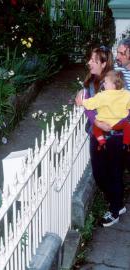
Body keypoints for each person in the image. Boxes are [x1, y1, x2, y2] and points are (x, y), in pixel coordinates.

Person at [76, 46, 126, 227]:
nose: (89, 62)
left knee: (114, 173)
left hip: (115, 136)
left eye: (93, 60)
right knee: (99, 174)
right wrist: (96, 122)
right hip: (96, 134)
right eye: (89, 59)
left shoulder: (115, 80)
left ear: (104, 63)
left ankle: (114, 210)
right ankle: (117, 202)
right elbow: (88, 105)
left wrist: (114, 124)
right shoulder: (91, 81)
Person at [77, 70, 130, 149]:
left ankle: (101, 141)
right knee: (127, 126)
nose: (103, 84)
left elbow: (91, 103)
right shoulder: (126, 94)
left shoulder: (103, 96)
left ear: (113, 85)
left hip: (104, 122)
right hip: (120, 123)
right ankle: (126, 143)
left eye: (105, 82)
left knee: (95, 127)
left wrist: (82, 102)